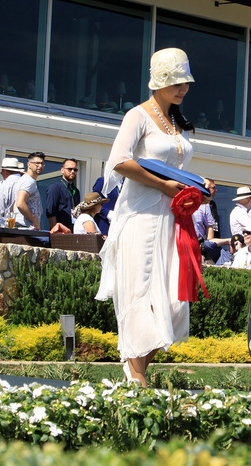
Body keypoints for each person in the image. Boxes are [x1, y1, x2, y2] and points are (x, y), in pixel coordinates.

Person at [94, 47, 215, 388]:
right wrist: (164, 185)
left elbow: (174, 169)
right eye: (176, 82)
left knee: (174, 299)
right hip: (142, 217)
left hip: (173, 219)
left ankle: (137, 372)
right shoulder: (138, 115)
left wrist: (199, 183)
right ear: (158, 81)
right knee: (141, 292)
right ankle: (136, 375)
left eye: (185, 83)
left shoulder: (177, 122)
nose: (182, 89)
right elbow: (118, 161)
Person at [12, 152, 46, 230]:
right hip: (25, 227)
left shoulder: (25, 180)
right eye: (37, 163)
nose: (40, 166)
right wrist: (34, 220)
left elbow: (15, 204)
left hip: (23, 225)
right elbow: (20, 203)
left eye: (42, 163)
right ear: (29, 164)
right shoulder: (28, 181)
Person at [45, 158, 81, 231]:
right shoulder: (55, 188)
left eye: (75, 170)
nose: (72, 171)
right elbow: (51, 212)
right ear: (62, 170)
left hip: (73, 230)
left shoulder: (76, 191)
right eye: (69, 169)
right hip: (60, 231)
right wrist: (55, 232)